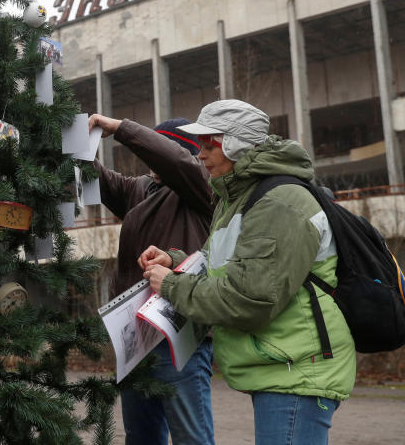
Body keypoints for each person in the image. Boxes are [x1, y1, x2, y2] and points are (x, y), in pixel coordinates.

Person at [141, 99, 355, 445]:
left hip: (298, 370)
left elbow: (249, 298)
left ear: (236, 143)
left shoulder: (279, 202)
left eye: (209, 144)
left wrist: (172, 286)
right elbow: (226, 267)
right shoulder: (238, 198)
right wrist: (175, 259)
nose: (200, 155)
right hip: (280, 366)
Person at [89, 114, 215, 445]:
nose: (149, 159)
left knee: (191, 438)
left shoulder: (200, 185)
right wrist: (74, 144)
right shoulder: (142, 188)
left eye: (155, 149)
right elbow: (101, 179)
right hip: (136, 338)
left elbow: (177, 162)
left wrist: (120, 129)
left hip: (178, 337)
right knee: (141, 437)